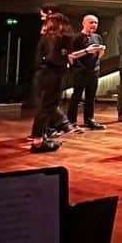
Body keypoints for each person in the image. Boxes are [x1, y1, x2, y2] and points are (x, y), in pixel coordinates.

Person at [30, 12, 74, 154]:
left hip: (43, 75)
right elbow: (53, 58)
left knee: (46, 107)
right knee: (47, 107)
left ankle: (41, 137)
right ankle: (38, 140)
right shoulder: (60, 39)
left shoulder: (45, 38)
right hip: (53, 75)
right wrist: (66, 58)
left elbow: (39, 59)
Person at [66, 14, 106, 129]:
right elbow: (71, 55)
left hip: (94, 70)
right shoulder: (75, 38)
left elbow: (98, 56)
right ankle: (71, 121)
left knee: (91, 96)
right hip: (80, 70)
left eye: (96, 23)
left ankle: (89, 120)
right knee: (76, 96)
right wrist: (87, 51)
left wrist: (101, 51)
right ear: (84, 23)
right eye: (91, 22)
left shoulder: (97, 37)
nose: (94, 25)